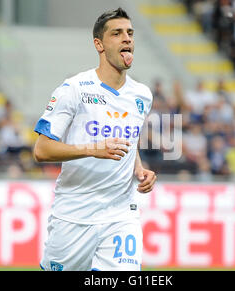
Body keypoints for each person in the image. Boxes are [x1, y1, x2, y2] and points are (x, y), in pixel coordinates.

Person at [32, 8, 156, 271]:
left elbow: (129, 140)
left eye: (130, 33)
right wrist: (92, 149)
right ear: (99, 44)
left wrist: (139, 169)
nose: (127, 38)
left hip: (121, 214)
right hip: (74, 214)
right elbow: (41, 150)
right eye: (117, 33)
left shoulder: (142, 95)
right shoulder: (74, 89)